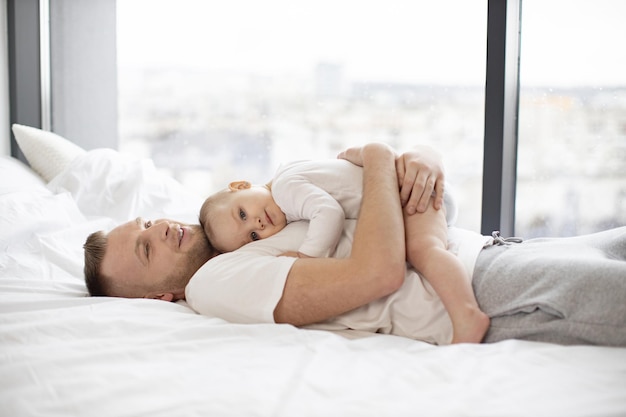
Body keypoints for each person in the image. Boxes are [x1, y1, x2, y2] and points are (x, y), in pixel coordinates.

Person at [83, 143, 626, 346]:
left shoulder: (255, 224)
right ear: (158, 298)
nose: (159, 231)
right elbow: (378, 273)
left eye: (147, 224)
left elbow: (361, 203)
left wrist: (420, 165)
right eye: (147, 250)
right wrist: (380, 160)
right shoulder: (215, 284)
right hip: (490, 291)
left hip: (500, 250)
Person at [199, 157, 489, 343]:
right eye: (252, 235)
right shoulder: (287, 177)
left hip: (412, 195)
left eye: (242, 213)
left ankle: (466, 315)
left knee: (426, 251)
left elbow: (329, 213)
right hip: (410, 193)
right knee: (425, 248)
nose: (259, 223)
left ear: (240, 185)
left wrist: (307, 257)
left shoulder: (286, 190)